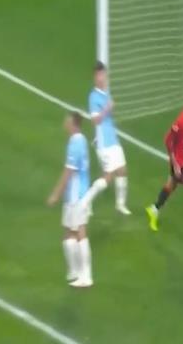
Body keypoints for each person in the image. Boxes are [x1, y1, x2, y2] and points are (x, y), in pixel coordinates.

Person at [145, 93, 183, 243]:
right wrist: (175, 164)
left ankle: (153, 210)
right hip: (180, 163)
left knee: (171, 186)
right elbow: (168, 140)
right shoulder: (182, 121)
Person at [47, 111, 93, 288]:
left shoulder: (76, 144)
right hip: (75, 195)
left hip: (76, 196)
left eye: (67, 121)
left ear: (73, 124)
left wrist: (55, 194)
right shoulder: (79, 140)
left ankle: (86, 276)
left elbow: (69, 172)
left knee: (80, 231)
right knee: (69, 232)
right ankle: (74, 271)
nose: (64, 123)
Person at [81, 61, 131, 216]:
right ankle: (85, 202)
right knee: (108, 176)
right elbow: (95, 120)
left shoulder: (106, 92)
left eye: (104, 74)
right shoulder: (93, 97)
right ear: (96, 77)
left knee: (122, 170)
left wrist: (109, 109)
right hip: (104, 142)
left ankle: (120, 205)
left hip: (112, 138)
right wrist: (107, 108)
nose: (103, 77)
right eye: (101, 75)